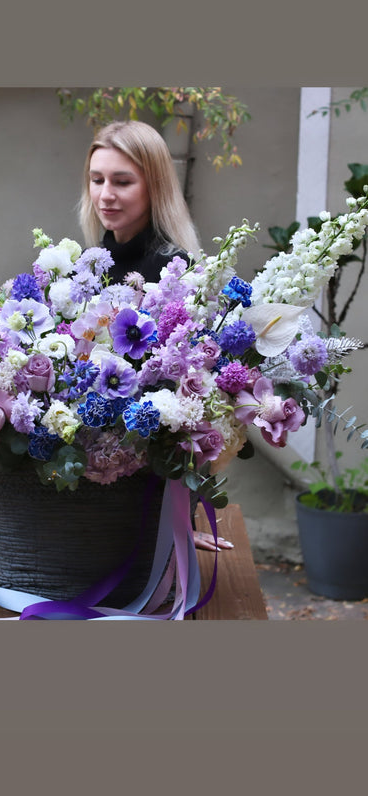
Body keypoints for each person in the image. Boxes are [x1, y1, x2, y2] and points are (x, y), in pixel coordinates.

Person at [78, 120, 234, 553]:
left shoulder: (176, 273)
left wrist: (180, 517)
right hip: (90, 495)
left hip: (142, 500)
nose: (105, 194)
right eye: (97, 179)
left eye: (122, 181)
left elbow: (191, 407)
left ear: (155, 187)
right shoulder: (87, 264)